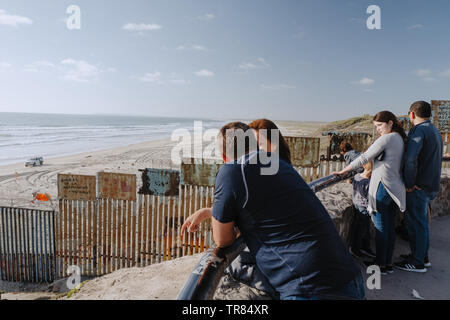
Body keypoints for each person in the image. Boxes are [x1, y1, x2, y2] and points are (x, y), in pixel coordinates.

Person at [182, 121, 365, 300]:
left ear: (223, 157)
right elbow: (268, 207)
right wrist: (209, 211)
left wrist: (218, 217)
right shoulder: (278, 164)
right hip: (349, 279)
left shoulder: (231, 171)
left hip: (310, 288)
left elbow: (222, 239)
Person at [333, 111, 406, 275]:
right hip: (394, 188)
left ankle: (380, 265)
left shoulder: (387, 138)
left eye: (380, 125)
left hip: (382, 187)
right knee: (389, 227)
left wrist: (344, 171)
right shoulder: (400, 138)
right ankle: (387, 264)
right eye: (376, 126)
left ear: (390, 123)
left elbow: (364, 157)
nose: (378, 129)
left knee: (381, 227)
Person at [394, 101, 443, 273]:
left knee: (417, 224)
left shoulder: (418, 130)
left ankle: (417, 263)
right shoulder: (435, 131)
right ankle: (422, 256)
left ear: (412, 114)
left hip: (418, 186)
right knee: (421, 224)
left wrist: (409, 183)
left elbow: (410, 159)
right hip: (431, 184)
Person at [348, 161, 376, 260]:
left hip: (356, 204)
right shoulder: (368, 182)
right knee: (361, 229)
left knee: (361, 227)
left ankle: (363, 246)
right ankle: (356, 248)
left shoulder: (357, 177)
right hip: (364, 207)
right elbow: (369, 196)